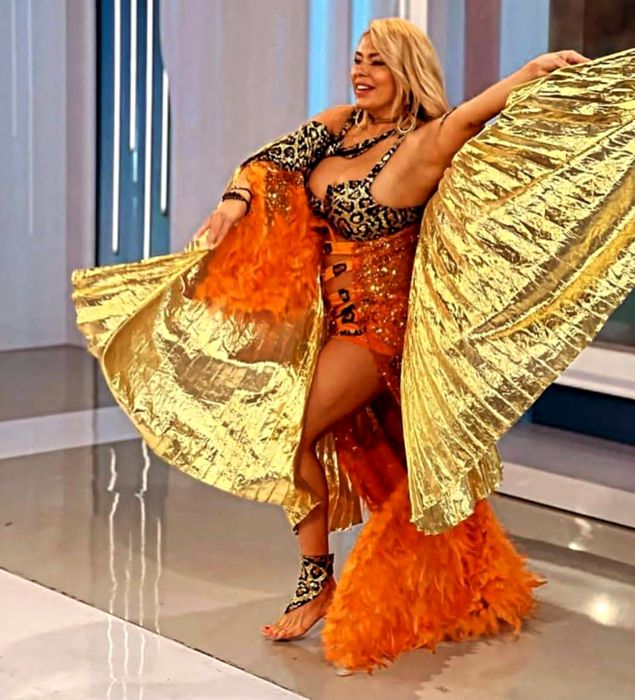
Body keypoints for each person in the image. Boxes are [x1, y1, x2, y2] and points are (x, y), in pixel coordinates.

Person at [71, 19, 634, 674]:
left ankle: (317, 581)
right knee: (395, 466)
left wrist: (531, 73)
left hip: (378, 334)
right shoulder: (339, 126)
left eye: (377, 63)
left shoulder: (424, 144)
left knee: (291, 434)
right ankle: (457, 579)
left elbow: (477, 112)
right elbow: (271, 162)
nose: (360, 72)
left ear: (407, 71)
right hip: (330, 326)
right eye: (358, 59)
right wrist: (232, 205)